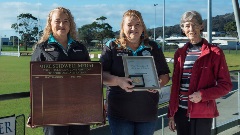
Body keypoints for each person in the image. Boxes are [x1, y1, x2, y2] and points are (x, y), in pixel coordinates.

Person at [100, 9, 170, 135]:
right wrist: (118, 81)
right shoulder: (112, 46)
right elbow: (100, 75)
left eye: (137, 24)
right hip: (119, 112)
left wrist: (158, 83)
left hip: (147, 111)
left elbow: (165, 75)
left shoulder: (153, 47)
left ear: (143, 27)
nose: (134, 28)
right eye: (129, 25)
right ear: (122, 27)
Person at [168, 10, 233, 135]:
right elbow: (175, 86)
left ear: (201, 26)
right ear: (183, 29)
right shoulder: (179, 53)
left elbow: (226, 85)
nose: (191, 29)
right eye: (187, 25)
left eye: (195, 24)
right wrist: (171, 114)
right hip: (180, 112)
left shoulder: (215, 52)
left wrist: (202, 95)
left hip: (202, 113)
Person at [27, 7, 90, 135]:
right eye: (57, 21)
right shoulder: (42, 49)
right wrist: (34, 111)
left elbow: (90, 79)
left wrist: (96, 106)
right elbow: (36, 83)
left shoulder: (80, 47)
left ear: (70, 24)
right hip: (53, 110)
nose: (62, 25)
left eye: (66, 21)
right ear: (50, 23)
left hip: (79, 109)